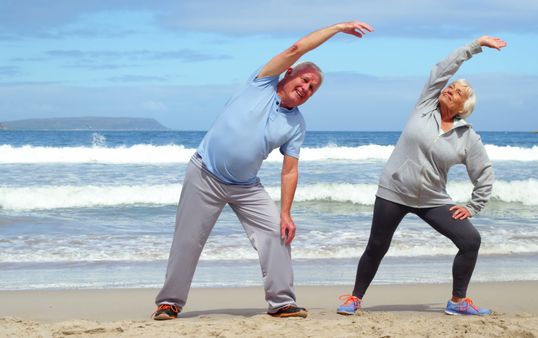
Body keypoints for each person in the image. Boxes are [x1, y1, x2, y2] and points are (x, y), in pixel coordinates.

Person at [152, 21, 374, 320]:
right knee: (188, 240)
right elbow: (297, 48)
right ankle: (170, 302)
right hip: (205, 174)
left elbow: (289, 171)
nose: (306, 88)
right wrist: (337, 28)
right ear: (289, 73)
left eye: (312, 88)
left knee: (277, 233)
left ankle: (282, 302)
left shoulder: (296, 124)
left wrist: (286, 212)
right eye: (305, 80)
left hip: (246, 186)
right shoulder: (261, 83)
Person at [336, 36, 507, 316]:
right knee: (377, 246)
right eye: (451, 87)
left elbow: (484, 173)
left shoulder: (467, 137)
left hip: (432, 199)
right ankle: (354, 298)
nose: (450, 89)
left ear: (463, 108)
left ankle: (458, 301)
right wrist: (475, 46)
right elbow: (442, 69)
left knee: (470, 241)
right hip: (394, 192)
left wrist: (473, 206)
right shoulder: (425, 106)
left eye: (457, 92)